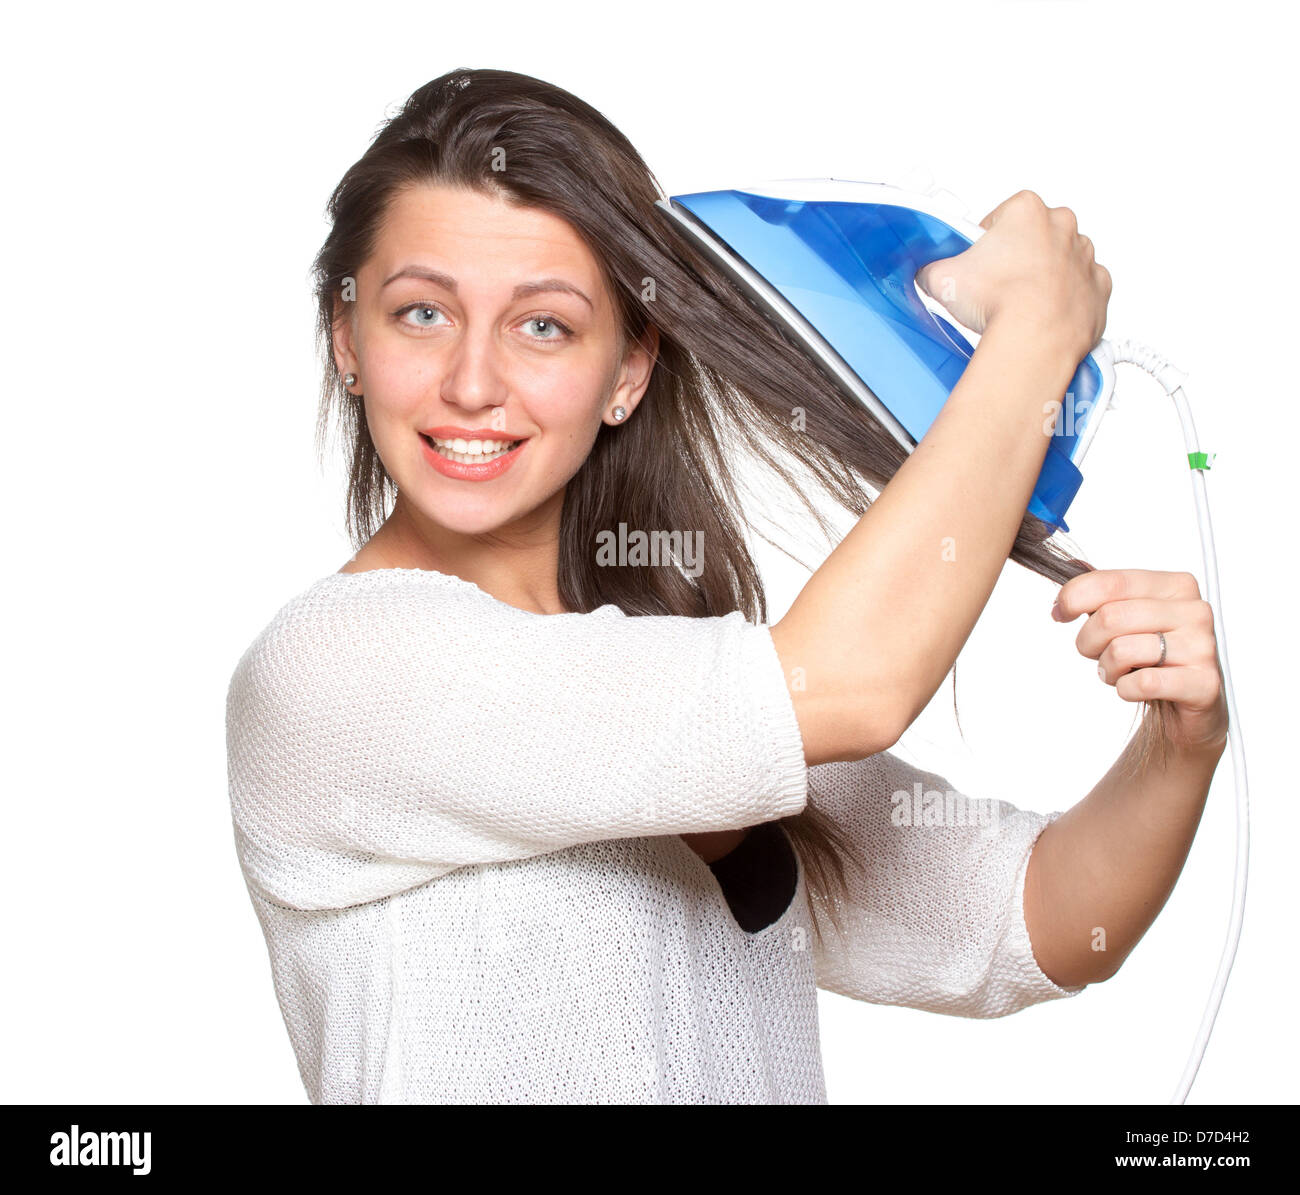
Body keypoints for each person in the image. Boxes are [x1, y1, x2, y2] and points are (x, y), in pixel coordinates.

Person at [225, 68, 1228, 1104]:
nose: (472, 382)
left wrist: (1177, 749)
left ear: (628, 369)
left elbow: (1032, 919)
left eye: (543, 326)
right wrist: (1032, 338)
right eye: (422, 313)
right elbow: (854, 684)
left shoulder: (670, 677)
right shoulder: (337, 672)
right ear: (349, 341)